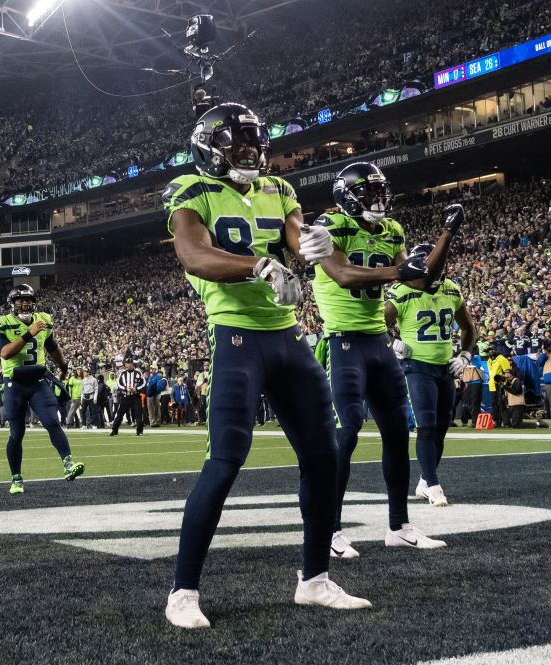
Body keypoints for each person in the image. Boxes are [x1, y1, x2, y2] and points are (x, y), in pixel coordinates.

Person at [162, 102, 371, 629]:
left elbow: (300, 237)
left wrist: (315, 245)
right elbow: (194, 254)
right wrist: (258, 264)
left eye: (256, 141)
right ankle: (183, 592)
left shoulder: (279, 191)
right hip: (236, 336)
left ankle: (315, 580)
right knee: (226, 459)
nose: (251, 150)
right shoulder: (190, 190)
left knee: (324, 457)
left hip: (287, 338)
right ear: (212, 145)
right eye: (239, 141)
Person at [312, 161, 459, 559]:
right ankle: (330, 529)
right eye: (369, 193)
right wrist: (399, 268)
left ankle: (399, 526)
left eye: (381, 192)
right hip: (343, 341)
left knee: (396, 432)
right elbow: (342, 274)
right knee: (346, 433)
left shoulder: (392, 230)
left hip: (378, 340)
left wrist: (446, 235)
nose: (378, 200)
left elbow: (421, 279)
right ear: (347, 196)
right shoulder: (329, 225)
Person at [384, 252, 476, 507]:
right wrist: (393, 343)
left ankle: (425, 480)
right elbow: (378, 325)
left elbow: (468, 327)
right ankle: (434, 485)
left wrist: (466, 356)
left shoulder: (451, 289)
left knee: (442, 426)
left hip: (445, 367)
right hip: (417, 366)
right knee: (425, 425)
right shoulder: (402, 291)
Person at [0, 284, 85, 494]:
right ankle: (16, 478)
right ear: (12, 303)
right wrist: (28, 334)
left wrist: (63, 366)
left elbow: (51, 346)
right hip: (14, 383)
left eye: (28, 300)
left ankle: (68, 464)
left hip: (37, 381)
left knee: (52, 421)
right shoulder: (3, 323)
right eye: (20, 300)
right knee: (17, 434)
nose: (25, 303)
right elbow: (5, 353)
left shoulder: (44, 320)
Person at [110, 359, 145, 436]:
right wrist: (125, 388)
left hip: (135, 396)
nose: (126, 365)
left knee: (138, 414)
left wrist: (136, 389)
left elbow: (143, 383)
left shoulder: (138, 372)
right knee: (119, 414)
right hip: (125, 396)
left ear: (132, 364)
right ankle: (114, 430)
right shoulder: (123, 373)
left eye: (128, 364)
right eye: (126, 364)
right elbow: (118, 383)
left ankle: (140, 431)